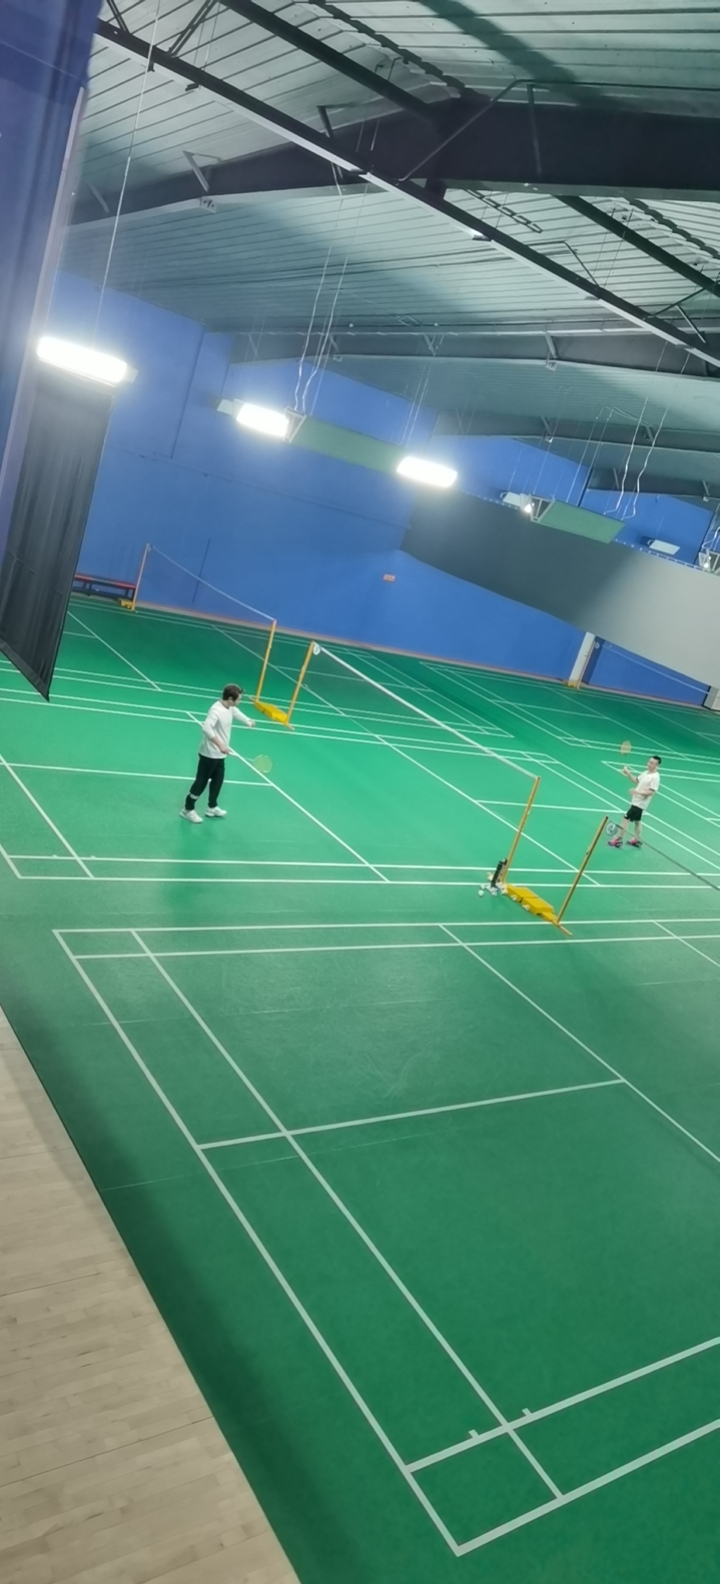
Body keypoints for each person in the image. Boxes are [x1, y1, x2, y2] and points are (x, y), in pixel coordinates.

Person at [180, 684, 254, 823]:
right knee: (201, 782)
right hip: (209, 753)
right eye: (239, 699)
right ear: (230, 699)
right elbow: (206, 728)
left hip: (220, 755)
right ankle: (187, 809)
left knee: (218, 780)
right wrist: (220, 745)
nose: (240, 701)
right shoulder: (216, 710)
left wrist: (247, 720)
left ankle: (212, 807)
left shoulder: (229, 707)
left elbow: (235, 711)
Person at [607, 754, 662, 848]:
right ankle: (637, 840)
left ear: (657, 766)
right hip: (636, 801)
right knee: (637, 821)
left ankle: (618, 839)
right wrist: (628, 773)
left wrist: (637, 792)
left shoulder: (655, 777)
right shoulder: (646, 772)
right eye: (649, 762)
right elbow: (636, 781)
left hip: (640, 803)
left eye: (652, 763)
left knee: (625, 818)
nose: (649, 764)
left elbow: (651, 792)